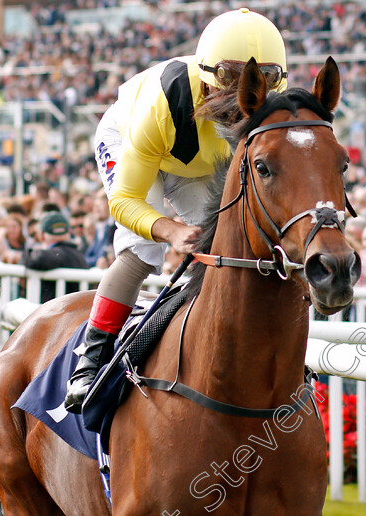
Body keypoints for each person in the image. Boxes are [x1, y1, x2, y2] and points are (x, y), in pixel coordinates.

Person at [63, 8, 290, 413]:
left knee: (224, 242)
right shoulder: (159, 106)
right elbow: (124, 202)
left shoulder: (269, 112)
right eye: (228, 89)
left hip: (197, 163)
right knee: (140, 252)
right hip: (134, 141)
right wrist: (169, 231)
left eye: (254, 90)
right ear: (208, 77)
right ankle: (90, 359)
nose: (240, 107)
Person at [22, 212, 90, 303]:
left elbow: (37, 259)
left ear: (41, 235)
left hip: (58, 314)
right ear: (69, 232)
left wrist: (21, 255)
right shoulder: (79, 256)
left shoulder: (54, 255)